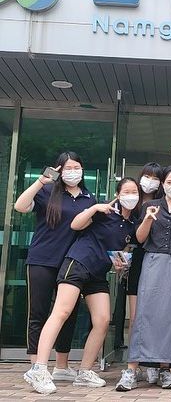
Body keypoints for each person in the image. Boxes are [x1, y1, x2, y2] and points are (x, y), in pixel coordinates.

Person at [24, 177, 140, 395]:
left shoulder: (132, 224)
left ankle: (85, 371)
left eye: (135, 192)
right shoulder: (105, 211)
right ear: (118, 194)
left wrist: (119, 262)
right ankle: (38, 368)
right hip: (78, 263)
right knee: (61, 312)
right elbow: (75, 224)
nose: (131, 196)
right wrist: (94, 208)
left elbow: (118, 249)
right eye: (126, 191)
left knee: (102, 320)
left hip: (98, 272)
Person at [116, 165, 171, 392]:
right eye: (169, 182)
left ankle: (165, 369)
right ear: (162, 184)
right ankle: (131, 370)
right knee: (144, 315)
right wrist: (148, 219)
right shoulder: (150, 206)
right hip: (153, 263)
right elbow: (140, 238)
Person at [14, 152, 96, 382]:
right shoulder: (48, 191)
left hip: (71, 264)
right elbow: (20, 206)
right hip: (42, 260)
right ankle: (36, 367)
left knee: (68, 314)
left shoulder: (89, 198)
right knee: (38, 313)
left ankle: (61, 366)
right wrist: (42, 181)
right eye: (68, 168)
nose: (73, 172)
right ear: (59, 170)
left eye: (77, 167)